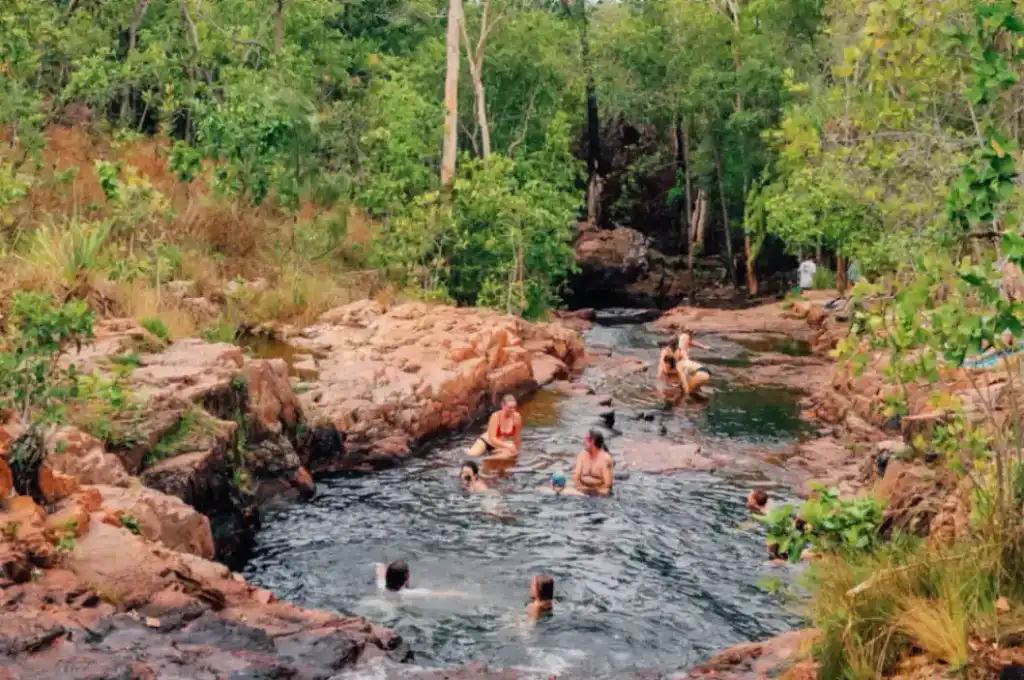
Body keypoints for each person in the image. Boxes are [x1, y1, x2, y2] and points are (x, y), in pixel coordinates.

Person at [468, 393, 522, 459]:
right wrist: (507, 445)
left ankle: (488, 459)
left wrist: (516, 450)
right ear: (502, 405)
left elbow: (517, 436)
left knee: (511, 454)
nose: (512, 410)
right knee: (471, 457)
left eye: (514, 407)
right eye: (510, 408)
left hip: (499, 445)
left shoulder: (517, 417)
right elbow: (492, 438)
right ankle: (482, 458)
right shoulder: (495, 416)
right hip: (485, 442)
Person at [375, 560, 465, 597]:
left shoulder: (381, 585)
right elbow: (446, 594)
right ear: (407, 576)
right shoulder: (409, 594)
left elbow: (379, 569)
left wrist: (379, 564)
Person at [573, 430, 614, 495]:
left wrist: (592, 491)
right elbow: (576, 477)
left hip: (599, 491)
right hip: (583, 489)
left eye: (586, 439)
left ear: (592, 441)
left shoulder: (606, 459)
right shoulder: (582, 455)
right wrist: (581, 488)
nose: (584, 441)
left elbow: (608, 483)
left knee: (606, 492)